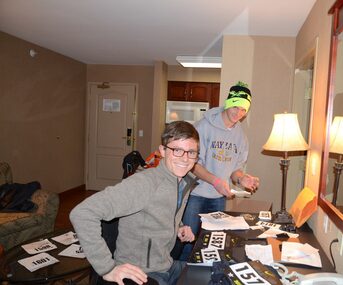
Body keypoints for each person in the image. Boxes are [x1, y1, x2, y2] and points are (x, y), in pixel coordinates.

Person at [70, 121, 200, 285]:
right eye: (177, 150)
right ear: (163, 151)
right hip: (141, 273)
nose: (185, 158)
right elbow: (83, 213)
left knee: (214, 274)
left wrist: (178, 225)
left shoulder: (182, 182)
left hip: (165, 265)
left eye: (191, 152)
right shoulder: (144, 183)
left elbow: (161, 211)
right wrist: (107, 268)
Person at [179, 81, 260, 261]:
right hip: (195, 194)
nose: (238, 113)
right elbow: (192, 164)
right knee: (188, 242)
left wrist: (241, 179)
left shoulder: (241, 137)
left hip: (218, 198)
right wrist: (216, 181)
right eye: (236, 107)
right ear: (228, 102)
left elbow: (234, 170)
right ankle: (180, 275)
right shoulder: (202, 127)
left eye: (244, 110)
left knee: (212, 243)